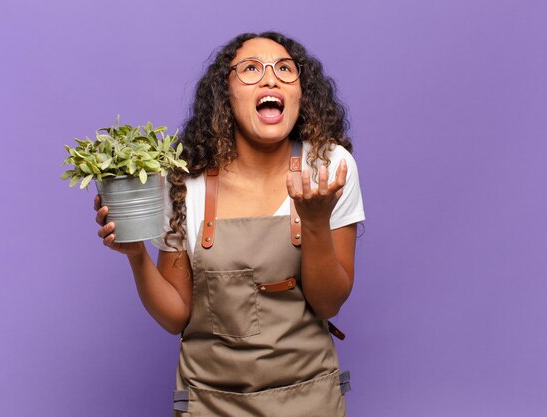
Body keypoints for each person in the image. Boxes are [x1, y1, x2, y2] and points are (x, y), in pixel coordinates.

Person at [94, 31, 365, 416]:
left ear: (301, 93)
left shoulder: (328, 166)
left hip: (308, 398)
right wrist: (136, 253)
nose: (271, 78)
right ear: (226, 95)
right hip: (210, 402)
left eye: (285, 69)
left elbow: (328, 303)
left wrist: (316, 222)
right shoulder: (184, 180)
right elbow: (175, 317)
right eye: (251, 69)